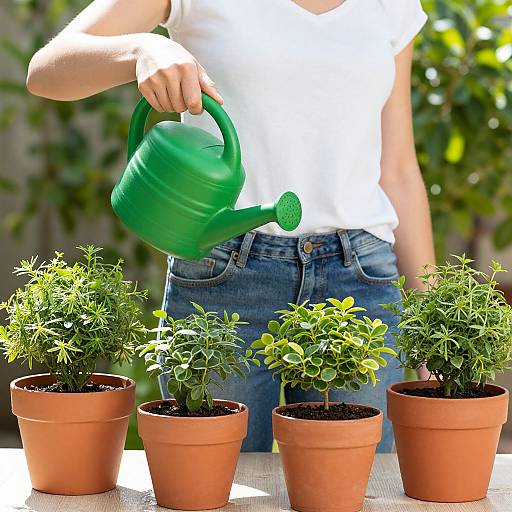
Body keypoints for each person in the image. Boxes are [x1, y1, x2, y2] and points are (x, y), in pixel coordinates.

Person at [26, 0, 435, 452]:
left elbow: (396, 169)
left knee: (351, 490)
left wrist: (433, 328)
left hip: (360, 283)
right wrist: (141, 49)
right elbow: (46, 72)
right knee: (218, 489)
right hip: (225, 275)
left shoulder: (392, 6)